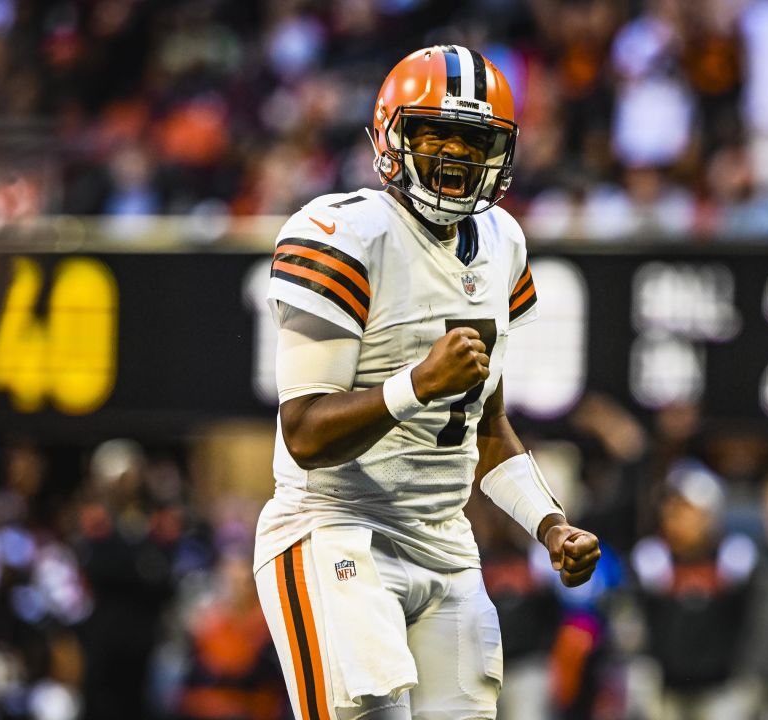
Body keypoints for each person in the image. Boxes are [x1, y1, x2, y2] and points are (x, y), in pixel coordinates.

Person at [252, 45, 602, 720]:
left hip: (444, 541)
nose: (452, 154)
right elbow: (303, 433)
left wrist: (550, 526)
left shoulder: (503, 241)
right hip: (334, 527)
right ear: (391, 134)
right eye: (432, 133)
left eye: (471, 140)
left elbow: (487, 424)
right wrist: (416, 383)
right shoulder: (344, 233)